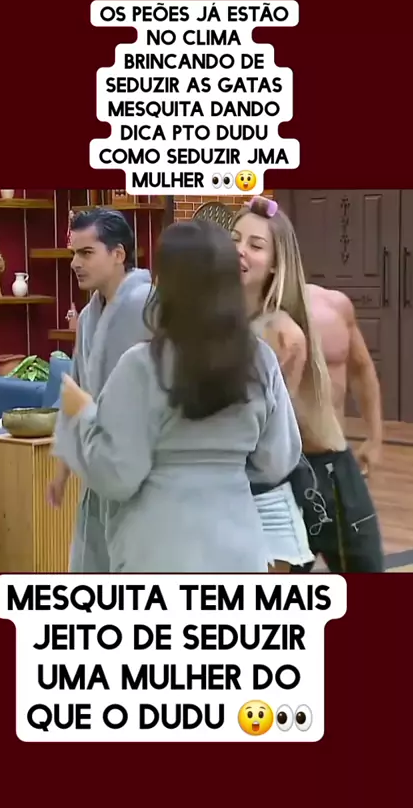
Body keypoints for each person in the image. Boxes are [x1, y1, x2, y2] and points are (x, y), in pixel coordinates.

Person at [56, 218, 302, 573]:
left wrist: (84, 415)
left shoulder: (142, 365)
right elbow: (279, 459)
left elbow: (116, 476)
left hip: (157, 549)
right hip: (238, 549)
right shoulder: (260, 359)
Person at [232, 196, 384, 573]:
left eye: (255, 245)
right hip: (267, 480)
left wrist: (375, 438)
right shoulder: (220, 324)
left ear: (276, 262)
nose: (240, 250)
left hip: (328, 473)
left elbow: (362, 369)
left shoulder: (289, 329)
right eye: (234, 239)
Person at [49, 207, 152, 572]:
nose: (75, 263)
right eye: (73, 253)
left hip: (145, 471)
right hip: (98, 466)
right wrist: (62, 468)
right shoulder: (89, 316)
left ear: (118, 253)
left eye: (86, 252)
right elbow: (74, 390)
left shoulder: (149, 305)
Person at [304, 283, 382, 478]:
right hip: (263, 466)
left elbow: (361, 368)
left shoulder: (334, 304)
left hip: (331, 454)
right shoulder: (236, 313)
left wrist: (374, 438)